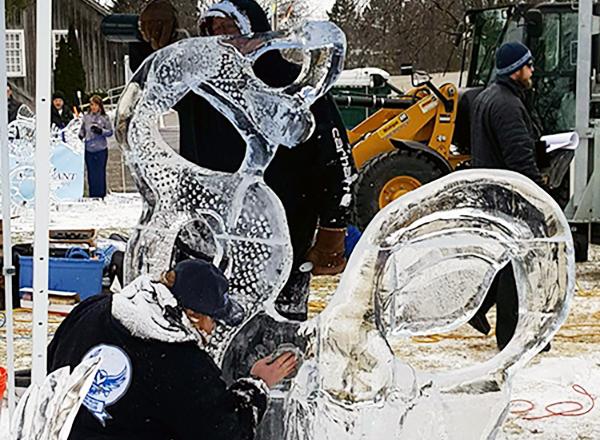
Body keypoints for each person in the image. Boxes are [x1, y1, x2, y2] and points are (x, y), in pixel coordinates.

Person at [131, 0, 356, 321]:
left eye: (231, 27)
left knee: (275, 338)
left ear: (258, 31)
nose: (223, 38)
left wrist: (333, 227)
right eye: (213, 31)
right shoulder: (198, 87)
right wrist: (155, 41)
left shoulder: (293, 83)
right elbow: (153, 80)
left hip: (282, 239)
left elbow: (336, 160)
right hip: (205, 244)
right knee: (202, 333)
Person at [47, 259, 297, 440]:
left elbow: (51, 367)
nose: (212, 330)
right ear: (193, 315)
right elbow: (224, 433)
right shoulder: (183, 364)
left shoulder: (93, 309)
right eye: (214, 320)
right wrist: (257, 384)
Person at [470, 42, 549, 351]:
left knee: (503, 261)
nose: (532, 71)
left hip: (492, 192)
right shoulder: (508, 105)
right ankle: (511, 337)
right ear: (516, 70)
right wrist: (537, 196)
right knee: (516, 267)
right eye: (529, 66)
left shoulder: (488, 96)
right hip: (510, 196)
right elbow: (518, 158)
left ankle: (477, 308)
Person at [79, 95, 113, 198]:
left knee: (100, 172)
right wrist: (81, 135)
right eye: (92, 105)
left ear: (99, 106)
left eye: (95, 105)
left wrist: (101, 131)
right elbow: (83, 129)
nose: (93, 107)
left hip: (100, 148)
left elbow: (110, 132)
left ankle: (101, 193)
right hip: (89, 148)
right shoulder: (86, 117)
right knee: (91, 172)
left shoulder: (104, 118)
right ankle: (92, 193)